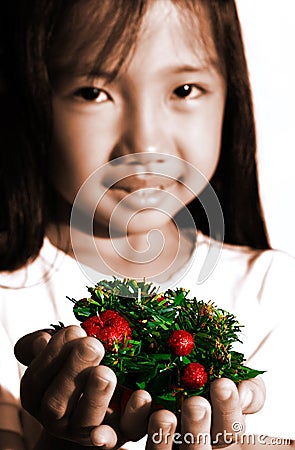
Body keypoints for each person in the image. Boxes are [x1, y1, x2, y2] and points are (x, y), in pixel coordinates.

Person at [0, 0, 294, 449]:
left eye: (184, 90)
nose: (146, 141)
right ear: (32, 97)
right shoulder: (7, 302)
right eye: (93, 92)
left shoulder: (276, 291)